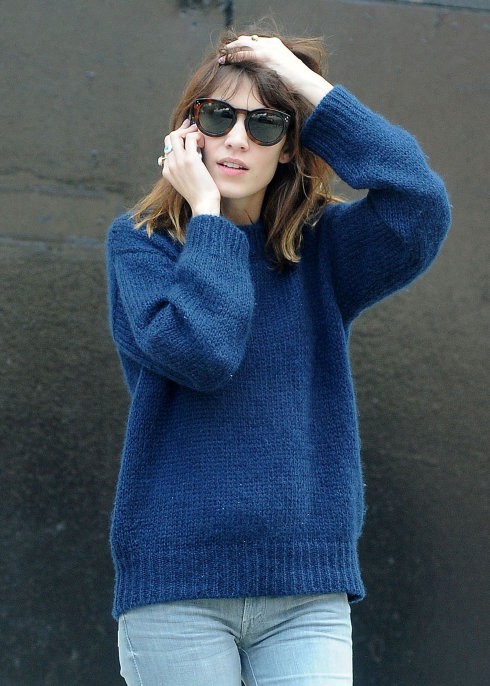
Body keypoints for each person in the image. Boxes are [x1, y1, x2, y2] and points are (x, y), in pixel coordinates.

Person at [106, 27, 450, 686]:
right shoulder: (142, 246)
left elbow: (419, 204)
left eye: (265, 125)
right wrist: (209, 217)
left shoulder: (321, 250)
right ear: (189, 132)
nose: (237, 139)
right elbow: (205, 352)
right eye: (218, 117)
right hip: (178, 587)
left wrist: (305, 84)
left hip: (306, 590)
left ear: (289, 147)